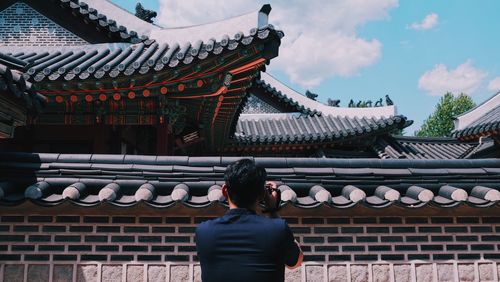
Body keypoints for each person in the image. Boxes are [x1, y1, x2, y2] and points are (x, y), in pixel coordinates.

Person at [196, 159, 303, 282]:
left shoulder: (204, 232)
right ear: (262, 194)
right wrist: (272, 211)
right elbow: (296, 262)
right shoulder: (278, 229)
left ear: (225, 191)